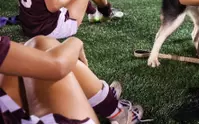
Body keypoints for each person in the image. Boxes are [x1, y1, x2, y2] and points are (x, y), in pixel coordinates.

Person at [0, 35, 145, 123]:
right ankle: (114, 110)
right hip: (51, 22)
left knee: (35, 49)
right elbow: (57, 65)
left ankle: (109, 105)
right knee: (46, 48)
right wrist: (75, 42)